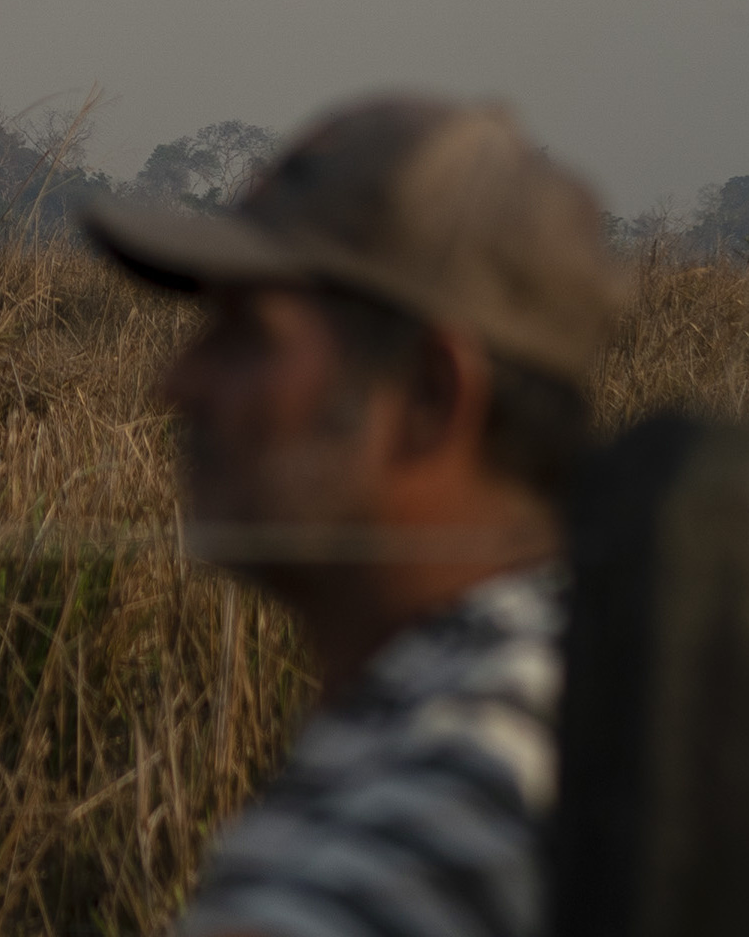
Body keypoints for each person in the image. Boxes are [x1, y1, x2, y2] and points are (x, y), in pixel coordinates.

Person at [82, 94, 623, 937]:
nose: (175, 384)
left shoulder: (471, 778)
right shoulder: (548, 676)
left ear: (429, 397)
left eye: (245, 336)